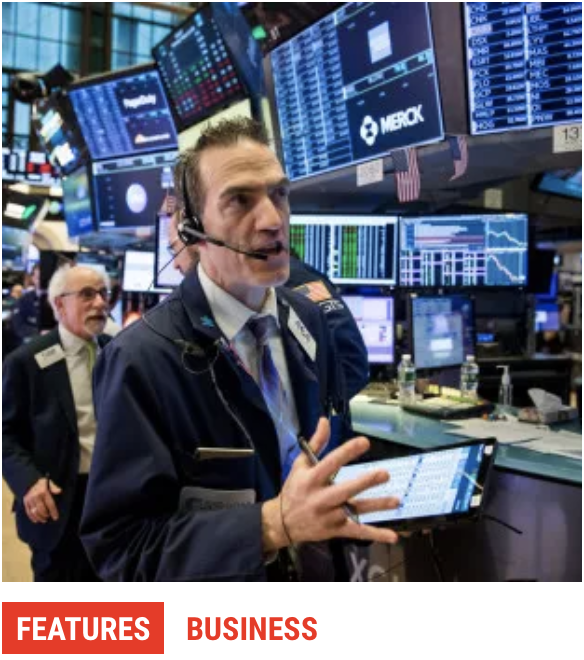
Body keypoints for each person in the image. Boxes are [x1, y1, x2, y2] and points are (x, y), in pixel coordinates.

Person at [81, 118, 399, 582]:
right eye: (239, 200)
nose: (273, 220)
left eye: (279, 194)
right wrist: (270, 526)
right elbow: (122, 550)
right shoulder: (140, 358)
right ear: (193, 230)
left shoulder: (308, 318)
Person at [3, 265, 111, 581]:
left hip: (111, 498)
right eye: (87, 295)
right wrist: (29, 482)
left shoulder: (116, 351)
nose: (100, 303)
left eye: (103, 293)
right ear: (59, 304)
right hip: (57, 498)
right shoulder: (27, 361)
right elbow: (5, 434)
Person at [12, 264, 41, 342]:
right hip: (32, 339)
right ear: (33, 278)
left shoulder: (58, 299)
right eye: (38, 278)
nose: (42, 281)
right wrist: (39, 332)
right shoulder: (23, 300)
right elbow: (19, 327)